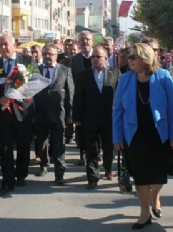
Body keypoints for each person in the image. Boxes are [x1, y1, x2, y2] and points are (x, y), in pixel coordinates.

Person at [113, 43, 173, 229]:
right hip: (134, 135)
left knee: (158, 176)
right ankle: (144, 212)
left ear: (146, 58)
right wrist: (117, 137)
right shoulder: (126, 79)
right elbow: (117, 110)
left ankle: (155, 195)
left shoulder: (163, 77)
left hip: (159, 135)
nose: (130, 60)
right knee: (140, 175)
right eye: (129, 57)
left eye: (134, 57)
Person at [0, 35, 37, 196]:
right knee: (5, 148)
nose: (3, 48)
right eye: (0, 45)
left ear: (14, 44)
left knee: (23, 146)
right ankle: (7, 181)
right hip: (4, 113)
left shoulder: (27, 61)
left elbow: (35, 81)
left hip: (24, 110)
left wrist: (23, 89)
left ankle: (21, 174)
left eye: (6, 44)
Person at [73, 46, 120, 188]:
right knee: (91, 148)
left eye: (98, 57)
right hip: (90, 117)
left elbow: (119, 97)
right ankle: (93, 177)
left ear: (106, 59)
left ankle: (108, 168)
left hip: (109, 117)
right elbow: (78, 97)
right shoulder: (83, 75)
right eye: (93, 57)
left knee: (108, 147)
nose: (95, 59)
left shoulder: (115, 73)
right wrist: (76, 116)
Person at [33, 44, 74, 183]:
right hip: (40, 112)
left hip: (59, 112)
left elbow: (70, 93)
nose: (47, 57)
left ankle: (59, 173)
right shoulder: (35, 71)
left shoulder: (65, 70)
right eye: (45, 54)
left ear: (56, 55)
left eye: (50, 54)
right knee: (42, 142)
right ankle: (44, 164)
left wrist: (70, 113)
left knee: (59, 144)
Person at [70, 31, 94, 166]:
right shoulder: (75, 59)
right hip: (80, 98)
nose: (85, 42)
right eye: (82, 40)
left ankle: (95, 152)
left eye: (87, 39)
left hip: (95, 99)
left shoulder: (98, 56)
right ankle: (82, 154)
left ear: (92, 41)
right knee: (80, 129)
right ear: (78, 42)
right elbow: (72, 78)